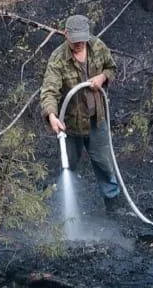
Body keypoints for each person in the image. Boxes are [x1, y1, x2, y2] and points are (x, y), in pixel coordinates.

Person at [40, 14, 122, 213]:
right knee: (68, 167)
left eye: (82, 39)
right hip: (71, 126)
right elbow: (49, 91)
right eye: (74, 39)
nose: (78, 43)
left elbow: (112, 68)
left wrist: (102, 77)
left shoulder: (98, 47)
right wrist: (51, 115)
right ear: (66, 34)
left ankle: (113, 208)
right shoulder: (58, 58)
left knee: (105, 166)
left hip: (97, 121)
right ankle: (66, 211)